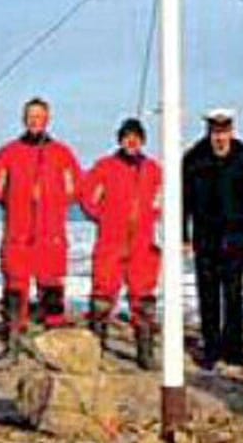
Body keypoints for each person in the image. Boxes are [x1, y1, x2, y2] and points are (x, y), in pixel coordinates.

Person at [0, 96, 83, 344]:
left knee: (51, 279)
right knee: (16, 280)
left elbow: (74, 189)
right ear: (23, 119)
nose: (34, 121)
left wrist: (52, 203)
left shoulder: (62, 154)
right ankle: (13, 330)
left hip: (50, 232)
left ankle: (53, 331)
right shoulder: (8, 153)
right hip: (19, 231)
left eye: (39, 117)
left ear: (48, 119)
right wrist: (19, 202)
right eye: (30, 116)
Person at [182, 107, 243, 369]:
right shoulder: (194, 158)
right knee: (208, 293)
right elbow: (183, 200)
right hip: (205, 237)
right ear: (209, 132)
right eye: (215, 132)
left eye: (224, 132)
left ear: (232, 131)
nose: (219, 138)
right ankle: (211, 348)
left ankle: (234, 347)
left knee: (234, 293)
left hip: (236, 236)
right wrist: (183, 236)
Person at [78, 117, 164, 368]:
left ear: (142, 141)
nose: (131, 142)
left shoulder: (153, 170)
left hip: (143, 241)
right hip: (111, 239)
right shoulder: (105, 167)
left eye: (136, 137)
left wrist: (149, 217)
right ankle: (96, 348)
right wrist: (103, 216)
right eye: (127, 137)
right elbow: (86, 195)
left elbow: (160, 199)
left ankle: (145, 351)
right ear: (120, 140)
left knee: (143, 296)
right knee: (103, 293)